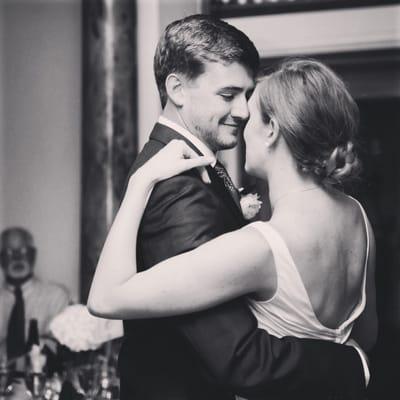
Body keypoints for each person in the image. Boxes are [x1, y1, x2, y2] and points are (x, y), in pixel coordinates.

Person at [89, 16, 370, 400]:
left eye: (248, 94)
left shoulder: (199, 171)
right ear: (177, 89)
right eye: (228, 95)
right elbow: (238, 357)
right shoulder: (176, 185)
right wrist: (356, 365)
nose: (243, 111)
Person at [0, 227, 70, 364]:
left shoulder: (56, 297)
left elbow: (61, 349)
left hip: (42, 378)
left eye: (23, 251)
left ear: (33, 255)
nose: (17, 258)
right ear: (1, 259)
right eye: (9, 253)